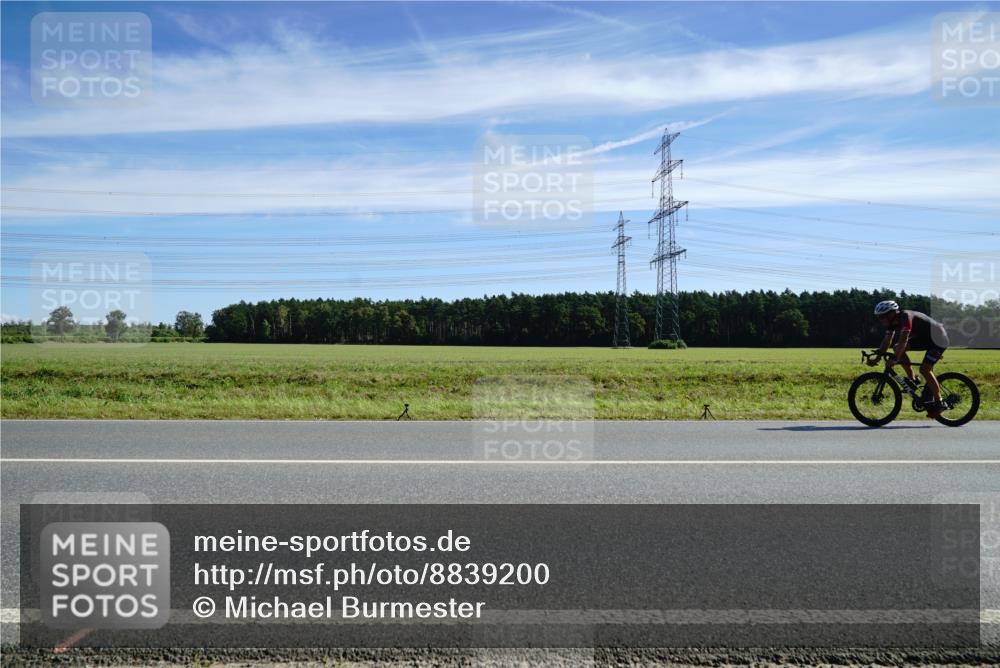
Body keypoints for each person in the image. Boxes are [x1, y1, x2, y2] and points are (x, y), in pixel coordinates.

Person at [869, 300, 950, 418]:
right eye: (879, 317)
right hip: (925, 338)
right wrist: (877, 358)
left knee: (925, 369)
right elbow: (887, 341)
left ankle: (940, 402)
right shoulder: (892, 323)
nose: (881, 320)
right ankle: (913, 379)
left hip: (939, 340)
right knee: (897, 347)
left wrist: (895, 359)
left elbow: (904, 339)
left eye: (883, 316)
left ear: (892, 313)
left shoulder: (906, 317)